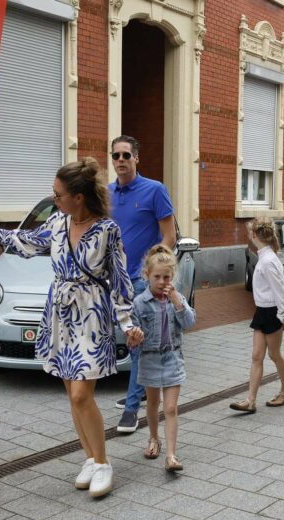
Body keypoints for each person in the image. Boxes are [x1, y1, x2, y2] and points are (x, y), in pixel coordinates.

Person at [0, 158, 144, 498]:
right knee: (71, 395)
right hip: (59, 313)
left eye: (58, 194)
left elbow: (121, 281)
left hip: (91, 314)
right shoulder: (58, 224)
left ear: (78, 196)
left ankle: (104, 463)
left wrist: (128, 324)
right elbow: (29, 241)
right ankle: (90, 458)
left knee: (82, 394)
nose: (55, 198)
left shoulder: (108, 230)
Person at [110, 135, 177, 434]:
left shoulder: (155, 190)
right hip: (112, 283)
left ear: (137, 158)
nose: (121, 160)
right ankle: (136, 393)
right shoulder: (107, 193)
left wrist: (151, 276)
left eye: (126, 155)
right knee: (122, 341)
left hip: (139, 283)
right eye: (116, 156)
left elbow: (169, 238)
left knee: (139, 345)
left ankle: (132, 410)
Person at [136, 245, 196, 472]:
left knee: (170, 408)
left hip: (172, 358)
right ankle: (154, 438)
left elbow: (190, 323)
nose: (162, 281)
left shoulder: (176, 298)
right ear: (147, 276)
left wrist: (177, 301)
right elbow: (132, 332)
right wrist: (134, 336)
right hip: (149, 359)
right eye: (157, 277)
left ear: (173, 277)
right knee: (153, 403)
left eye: (167, 277)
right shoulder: (140, 302)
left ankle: (171, 455)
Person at [230, 218, 284, 413]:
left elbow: (279, 290)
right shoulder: (265, 257)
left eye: (250, 233)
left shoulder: (268, 261)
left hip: (272, 312)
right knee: (257, 355)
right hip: (262, 311)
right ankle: (250, 401)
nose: (249, 235)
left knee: (274, 355)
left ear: (255, 236)